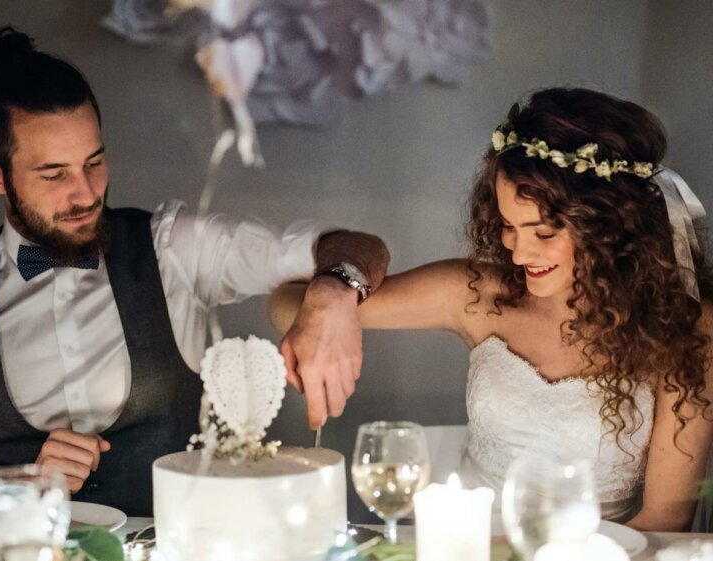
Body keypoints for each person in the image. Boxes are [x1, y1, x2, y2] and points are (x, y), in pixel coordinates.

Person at [0, 26, 389, 516]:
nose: (87, 193)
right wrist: (16, 491)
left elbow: (354, 245)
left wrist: (335, 293)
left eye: (94, 162)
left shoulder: (173, 248)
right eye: (54, 175)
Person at [271, 87, 713, 531]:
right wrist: (330, 300)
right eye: (508, 226)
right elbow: (285, 304)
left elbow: (665, 519)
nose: (518, 253)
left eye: (541, 232)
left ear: (613, 226)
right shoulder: (479, 293)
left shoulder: (686, 328)